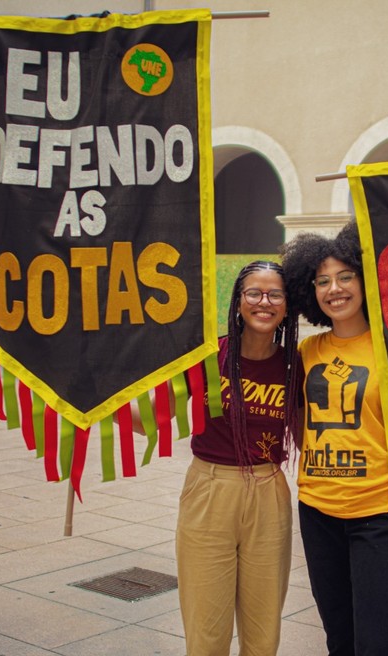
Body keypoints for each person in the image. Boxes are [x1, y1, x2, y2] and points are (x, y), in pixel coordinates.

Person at [281, 221, 388, 656]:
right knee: (339, 641)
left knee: (376, 645)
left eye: (345, 276)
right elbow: (300, 420)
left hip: (379, 514)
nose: (334, 289)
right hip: (318, 511)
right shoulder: (306, 352)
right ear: (310, 291)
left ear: (366, 280)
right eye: (322, 281)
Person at [168, 260, 301, 655]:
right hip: (210, 490)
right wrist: (92, 403)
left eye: (275, 294)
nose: (264, 302)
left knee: (263, 633)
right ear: (239, 301)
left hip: (268, 493)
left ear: (287, 306)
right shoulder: (209, 356)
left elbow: (311, 434)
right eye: (254, 293)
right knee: (206, 631)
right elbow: (154, 419)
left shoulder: (295, 365)